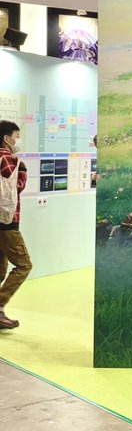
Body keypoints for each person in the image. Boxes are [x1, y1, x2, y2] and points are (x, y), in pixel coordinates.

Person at [0, 120, 32, 330]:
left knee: (0, 269)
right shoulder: (8, 158)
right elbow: (14, 189)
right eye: (17, 136)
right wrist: (23, 172)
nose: (18, 141)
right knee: (23, 265)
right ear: (7, 138)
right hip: (7, 224)